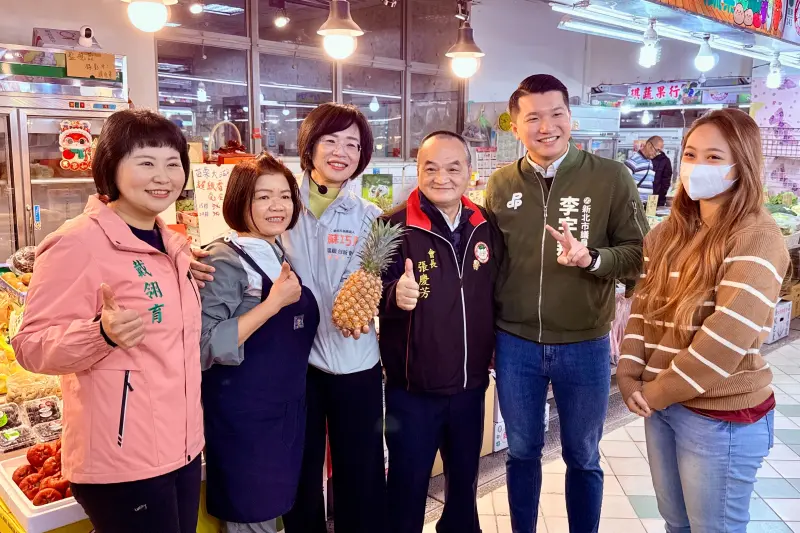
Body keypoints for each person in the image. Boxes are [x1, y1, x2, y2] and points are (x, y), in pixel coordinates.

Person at [191, 103, 386, 533]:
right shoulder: (283, 204)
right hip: (300, 368)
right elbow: (237, 245)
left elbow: (382, 283)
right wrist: (183, 251)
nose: (341, 152)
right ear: (309, 146)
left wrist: (395, 294)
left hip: (357, 363)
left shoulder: (371, 217)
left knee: (362, 475)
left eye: (353, 144)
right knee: (299, 476)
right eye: (330, 140)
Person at [11, 109, 203, 533]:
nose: (163, 177)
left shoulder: (171, 245)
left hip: (183, 447)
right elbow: (30, 345)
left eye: (173, 164)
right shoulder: (77, 242)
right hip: (123, 460)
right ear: (111, 166)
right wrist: (100, 334)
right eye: (146, 162)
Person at [484, 74, 648, 533]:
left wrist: (592, 258)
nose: (546, 126)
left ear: (570, 119)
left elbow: (640, 255)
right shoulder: (500, 183)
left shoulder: (610, 177)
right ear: (515, 126)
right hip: (515, 343)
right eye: (533, 117)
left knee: (583, 455)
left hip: (584, 343)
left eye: (556, 114)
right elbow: (491, 263)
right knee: (521, 452)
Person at [617, 108, 788, 533]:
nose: (697, 166)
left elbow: (725, 339)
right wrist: (628, 374)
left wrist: (655, 392)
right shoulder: (667, 233)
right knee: (676, 523)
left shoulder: (756, 236)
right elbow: (643, 309)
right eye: (691, 154)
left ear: (742, 164)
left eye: (714, 157)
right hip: (663, 409)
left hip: (720, 417)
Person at [380, 131, 500, 533]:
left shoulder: (485, 225)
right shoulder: (391, 226)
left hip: (470, 387)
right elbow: (366, 294)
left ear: (470, 172)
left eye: (453, 168)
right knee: (406, 488)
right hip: (413, 391)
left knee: (464, 487)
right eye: (430, 168)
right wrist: (394, 294)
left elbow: (496, 293)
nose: (441, 178)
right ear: (417, 171)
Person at [198, 155, 320, 533]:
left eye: (284, 196)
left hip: (282, 414)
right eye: (263, 197)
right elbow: (204, 344)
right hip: (243, 420)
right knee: (250, 516)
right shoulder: (221, 258)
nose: (277, 206)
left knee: (270, 513)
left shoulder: (276, 251)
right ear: (240, 200)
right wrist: (271, 305)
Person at [624, 139, 657, 203]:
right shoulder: (632, 161)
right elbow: (623, 183)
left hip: (647, 203)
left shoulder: (650, 162)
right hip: (635, 203)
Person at [648, 136, 674, 207]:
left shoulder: (665, 161)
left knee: (651, 213)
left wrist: (660, 197)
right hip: (642, 196)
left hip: (656, 198)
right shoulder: (647, 158)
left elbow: (666, 181)